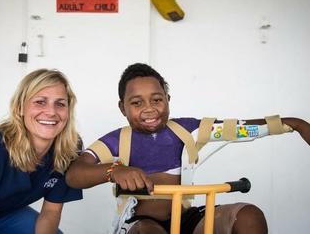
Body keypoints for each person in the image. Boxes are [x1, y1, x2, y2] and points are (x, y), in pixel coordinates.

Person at [66, 62, 310, 234]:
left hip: (187, 219)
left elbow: (238, 128)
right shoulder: (116, 140)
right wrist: (113, 170)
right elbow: (75, 174)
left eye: (157, 100)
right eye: (137, 103)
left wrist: (293, 124)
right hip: (140, 223)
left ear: (168, 100)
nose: (149, 109)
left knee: (248, 216)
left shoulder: (189, 130)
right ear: (122, 108)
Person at [0, 69, 83, 234]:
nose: (51, 112)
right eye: (40, 102)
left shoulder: (69, 148)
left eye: (60, 104)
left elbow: (51, 212)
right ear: (20, 107)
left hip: (4, 215)